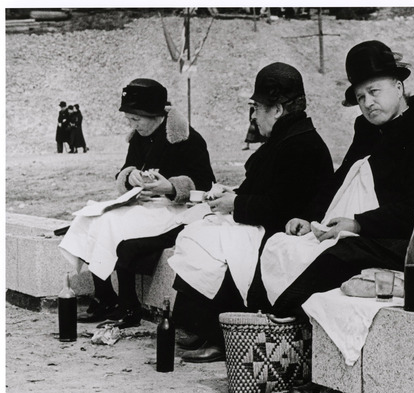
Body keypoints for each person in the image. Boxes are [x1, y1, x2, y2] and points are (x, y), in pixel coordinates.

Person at [260, 40, 414, 393]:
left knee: (343, 254)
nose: (368, 102)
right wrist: (310, 219)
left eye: (374, 91)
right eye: (360, 95)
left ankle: (280, 329)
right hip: (373, 236)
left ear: (399, 88)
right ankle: (292, 344)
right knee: (283, 244)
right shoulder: (368, 133)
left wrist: (357, 224)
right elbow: (339, 181)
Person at [167, 62, 334, 363]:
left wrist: (236, 204)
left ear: (278, 110)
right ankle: (196, 325)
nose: (254, 116)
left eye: (257, 108)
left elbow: (283, 207)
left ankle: (215, 334)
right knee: (198, 230)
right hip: (266, 224)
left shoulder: (300, 146)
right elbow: (264, 192)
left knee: (212, 241)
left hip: (283, 232)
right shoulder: (287, 139)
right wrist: (233, 196)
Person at [59, 78, 215, 328]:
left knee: (113, 229)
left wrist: (172, 187)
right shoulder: (140, 136)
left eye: (136, 119)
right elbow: (126, 170)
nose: (131, 125)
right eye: (129, 119)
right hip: (144, 205)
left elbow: (206, 183)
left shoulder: (187, 139)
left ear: (156, 115)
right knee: (92, 220)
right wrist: (130, 177)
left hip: (174, 210)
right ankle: (105, 298)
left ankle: (128, 306)